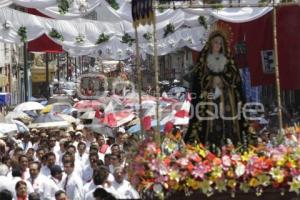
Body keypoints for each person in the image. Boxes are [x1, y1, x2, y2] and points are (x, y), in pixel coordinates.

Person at [185, 30, 256, 149]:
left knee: (230, 120)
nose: (218, 45)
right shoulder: (204, 61)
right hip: (210, 97)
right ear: (211, 44)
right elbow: (198, 80)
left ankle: (232, 146)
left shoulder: (229, 60)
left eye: (220, 43)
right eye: (216, 42)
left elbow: (235, 78)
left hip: (227, 97)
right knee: (210, 120)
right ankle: (211, 146)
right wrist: (211, 80)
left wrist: (223, 79)